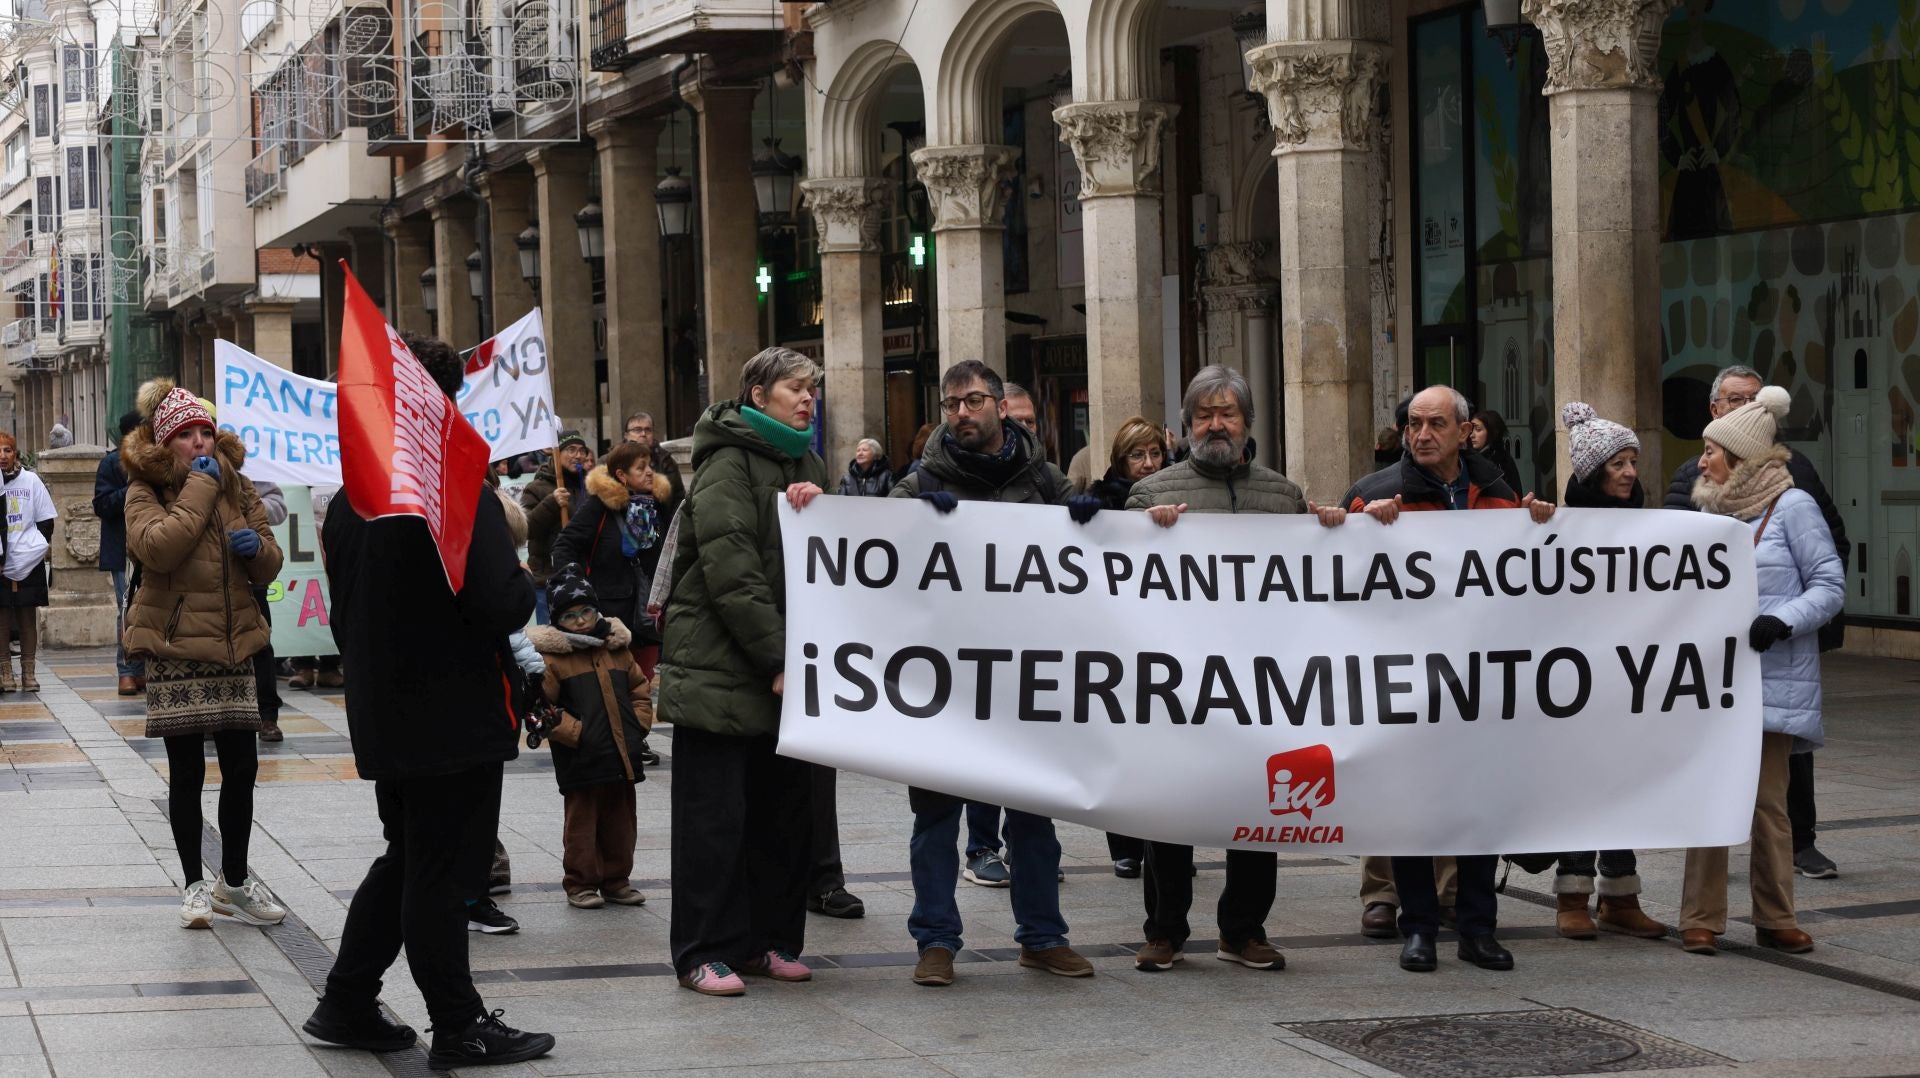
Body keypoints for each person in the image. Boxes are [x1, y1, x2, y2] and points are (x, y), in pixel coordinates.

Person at [305, 332, 553, 1069]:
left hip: (388, 711)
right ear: (443, 401)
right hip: (453, 715)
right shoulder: (450, 484)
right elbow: (499, 602)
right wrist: (523, 570)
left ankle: (347, 1000)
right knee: (441, 870)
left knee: (409, 856)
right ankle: (459, 1024)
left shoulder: (357, 492)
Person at [1126, 367, 1349, 974]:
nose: (1216, 424)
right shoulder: (1151, 496)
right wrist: (1146, 534)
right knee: (1169, 808)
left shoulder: (1283, 496)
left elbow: (1314, 581)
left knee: (1259, 804)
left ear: (1248, 423)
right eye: (1204, 414)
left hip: (1258, 685)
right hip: (1178, 684)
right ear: (1186, 424)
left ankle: (1244, 929)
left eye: (1228, 413)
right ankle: (1164, 930)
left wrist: (1329, 530)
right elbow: (1119, 585)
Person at [890, 359, 1105, 988]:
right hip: (943, 677)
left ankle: (1042, 937)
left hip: (1021, 676)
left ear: (1000, 408)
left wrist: (1098, 516)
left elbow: (1090, 531)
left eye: (974, 400)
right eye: (953, 402)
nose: (963, 412)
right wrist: (904, 516)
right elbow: (862, 538)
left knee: (1033, 815)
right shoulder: (922, 478)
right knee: (935, 817)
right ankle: (935, 941)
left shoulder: (1041, 477)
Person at [1346, 384, 1557, 973]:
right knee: (1413, 809)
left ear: (1466, 432)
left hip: (1480, 687)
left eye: (1436, 424)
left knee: (1478, 808)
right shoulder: (1378, 496)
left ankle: (1477, 927)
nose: (1422, 435)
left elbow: (1521, 580)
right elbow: (1339, 577)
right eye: (1414, 424)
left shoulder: (1496, 494)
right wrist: (1363, 527)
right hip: (1410, 685)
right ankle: (1418, 927)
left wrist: (1536, 523)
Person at [656, 346, 830, 997]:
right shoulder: (727, 460)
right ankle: (705, 950)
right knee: (715, 823)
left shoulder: (805, 460)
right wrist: (779, 658)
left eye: (812, 389)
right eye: (794, 388)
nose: (807, 399)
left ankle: (767, 942)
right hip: (723, 672)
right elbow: (734, 571)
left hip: (782, 673)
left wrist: (821, 502)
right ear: (759, 396)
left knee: (782, 818)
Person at [1666, 364, 1850, 881]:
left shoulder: (1794, 503)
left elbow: (1828, 582)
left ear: (1740, 457)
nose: (1701, 461)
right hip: (1715, 678)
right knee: (1710, 799)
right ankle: (1701, 920)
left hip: (1773, 678)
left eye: (1710, 453)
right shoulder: (1702, 505)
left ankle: (1776, 918)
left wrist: (1782, 621)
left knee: (1771, 804)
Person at [120, 383, 286, 930]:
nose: (199, 442)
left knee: (242, 768)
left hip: (235, 645)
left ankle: (232, 882)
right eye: (186, 435)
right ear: (167, 443)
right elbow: (159, 547)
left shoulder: (236, 485)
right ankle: (193, 883)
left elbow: (270, 561)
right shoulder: (144, 489)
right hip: (176, 648)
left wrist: (255, 549)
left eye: (205, 432)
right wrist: (198, 489)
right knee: (186, 772)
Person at [1546, 403, 1667, 941]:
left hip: (1628, 677)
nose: (1629, 473)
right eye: (1618, 463)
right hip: (1575, 681)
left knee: (1621, 783)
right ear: (1594, 469)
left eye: (1632, 463)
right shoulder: (1561, 527)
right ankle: (1571, 894)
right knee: (1579, 784)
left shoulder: (1648, 527)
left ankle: (1621, 896)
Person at [530, 568, 652, 910]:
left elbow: (640, 691)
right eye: (570, 616)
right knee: (582, 824)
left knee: (621, 821)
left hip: (620, 752)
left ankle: (617, 879)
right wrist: (575, 733)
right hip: (581, 757)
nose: (581, 621)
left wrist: (637, 725)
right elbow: (541, 708)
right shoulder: (553, 660)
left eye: (586, 612)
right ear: (557, 621)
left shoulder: (617, 649)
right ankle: (580, 882)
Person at [1089, 417, 1166, 879]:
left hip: (1165, 638)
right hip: (1117, 638)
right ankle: (1125, 844)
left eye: (1154, 453)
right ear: (1121, 460)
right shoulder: (1102, 502)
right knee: (1122, 743)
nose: (1148, 464)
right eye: (1137, 455)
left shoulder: (1179, 494)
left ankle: (1165, 840)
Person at [552, 442, 667, 683]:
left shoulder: (650, 506)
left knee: (642, 686)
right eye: (641, 467)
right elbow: (564, 545)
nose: (649, 472)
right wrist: (576, 590)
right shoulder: (598, 506)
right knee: (616, 686)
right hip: (611, 616)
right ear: (621, 475)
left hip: (647, 616)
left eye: (650, 466)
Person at [95, 411, 147, 697]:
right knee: (126, 610)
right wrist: (131, 489)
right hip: (122, 550)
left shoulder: (156, 461)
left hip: (150, 545)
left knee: (149, 609)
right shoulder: (110, 463)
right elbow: (101, 504)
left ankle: (142, 670)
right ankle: (126, 671)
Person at [0, 433, 56, 693]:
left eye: (8, 450)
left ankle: (29, 671)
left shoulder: (31, 481)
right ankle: (5, 672)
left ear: (16, 454)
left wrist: (30, 551)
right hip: (1, 562)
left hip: (28, 560)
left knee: (26, 616)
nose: (3, 455)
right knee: (1, 618)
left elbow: (46, 522)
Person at [521, 430, 594, 625]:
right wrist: (551, 504)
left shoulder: (590, 486)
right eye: (570, 449)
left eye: (581, 450)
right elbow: (525, 529)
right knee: (555, 644)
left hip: (584, 577)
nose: (577, 455)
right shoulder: (535, 488)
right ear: (556, 453)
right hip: (549, 579)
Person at [621, 410, 685, 518]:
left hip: (659, 521)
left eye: (648, 430)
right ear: (626, 435)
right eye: (637, 430)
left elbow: (678, 498)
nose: (643, 434)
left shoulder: (665, 461)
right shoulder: (612, 460)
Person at [1468, 410, 1524, 494]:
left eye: (1478, 429)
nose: (1472, 435)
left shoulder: (1502, 461)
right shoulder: (1467, 458)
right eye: (1471, 430)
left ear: (1492, 432)